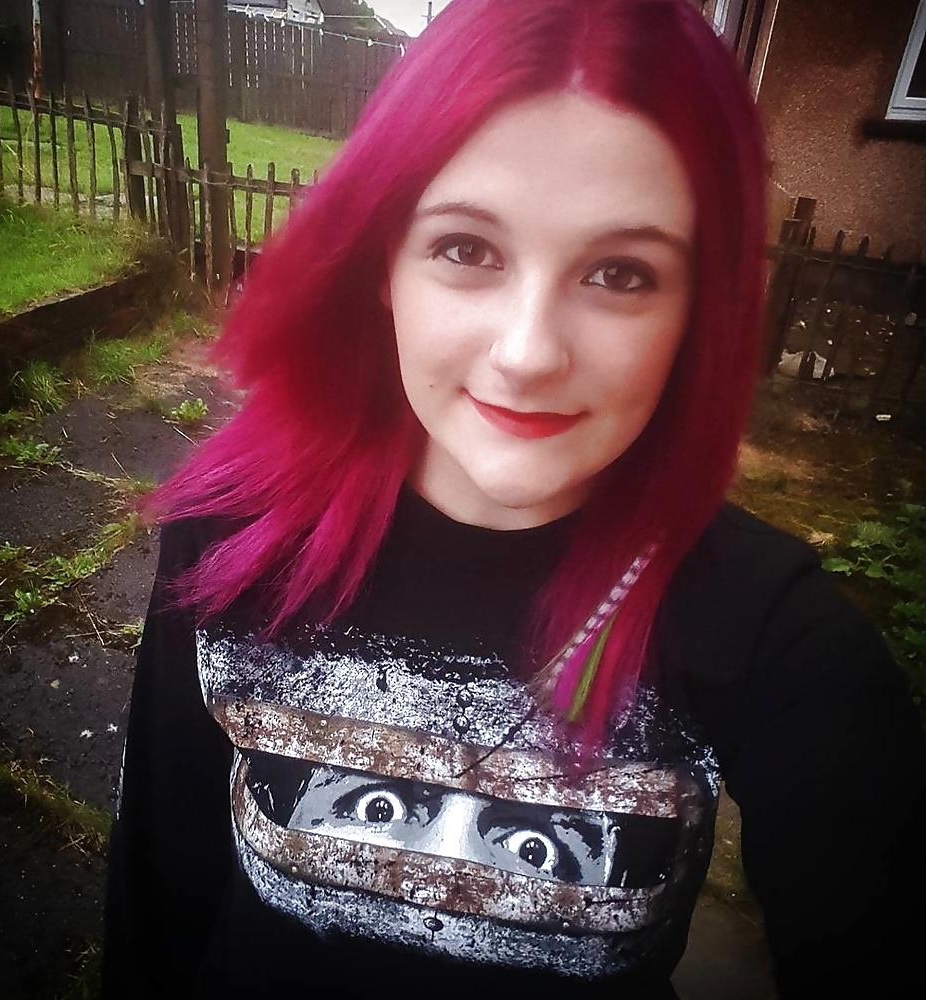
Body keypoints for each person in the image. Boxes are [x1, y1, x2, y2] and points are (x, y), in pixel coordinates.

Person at [102, 1, 925, 997]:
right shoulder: (234, 528)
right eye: (466, 249)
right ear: (383, 263)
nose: (529, 352)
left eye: (620, 273)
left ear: (696, 312)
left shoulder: (771, 635)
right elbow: (160, 884)